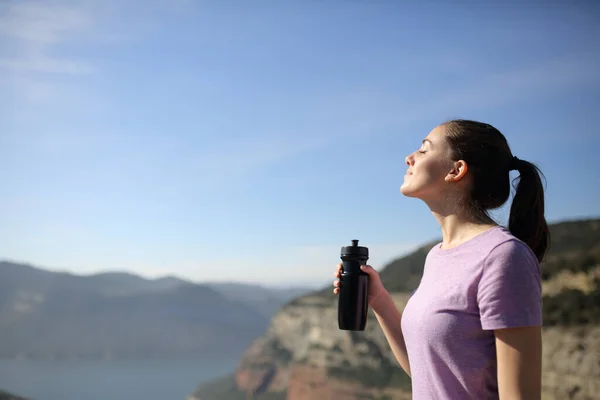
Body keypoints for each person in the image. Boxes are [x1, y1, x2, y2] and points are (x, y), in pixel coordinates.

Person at [333, 119, 549, 400]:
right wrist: (379, 300)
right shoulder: (437, 256)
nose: (409, 158)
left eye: (424, 150)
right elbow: (428, 372)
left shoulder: (503, 256)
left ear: (456, 170)